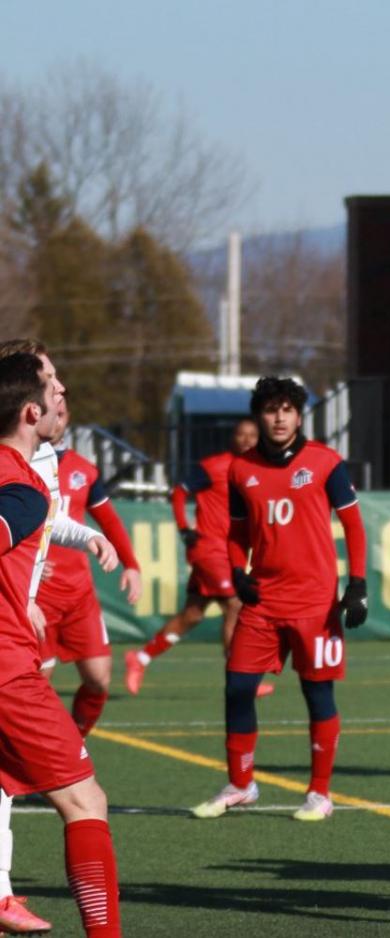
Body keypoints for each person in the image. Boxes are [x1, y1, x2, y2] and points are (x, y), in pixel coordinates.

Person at [191, 376, 368, 822]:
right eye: (271, 409)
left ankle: (320, 794)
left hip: (315, 604)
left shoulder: (327, 463)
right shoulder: (239, 469)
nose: (280, 417)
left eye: (287, 409)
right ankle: (240, 784)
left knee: (317, 694)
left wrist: (358, 583)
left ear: (299, 414)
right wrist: (236, 569)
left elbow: (354, 526)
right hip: (263, 601)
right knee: (237, 688)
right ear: (259, 415)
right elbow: (236, 531)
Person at [0, 339, 119, 935]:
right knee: (85, 802)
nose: (61, 397)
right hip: (5, 672)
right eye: (52, 389)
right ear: (29, 412)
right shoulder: (22, 486)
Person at [125, 417, 260, 695]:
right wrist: (184, 527)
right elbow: (179, 490)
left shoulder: (256, 472)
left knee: (193, 614)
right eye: (241, 434)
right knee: (235, 605)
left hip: (230, 552)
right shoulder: (215, 466)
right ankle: (240, 682)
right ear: (233, 438)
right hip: (210, 549)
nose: (246, 440)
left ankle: (140, 658)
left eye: (252, 435)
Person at [37, 396, 143, 738]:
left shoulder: (85, 470)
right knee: (36, 688)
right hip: (37, 598)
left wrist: (131, 565)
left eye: (62, 412)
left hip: (79, 596)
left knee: (98, 679)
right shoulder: (22, 464)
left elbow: (108, 522)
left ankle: (71, 745)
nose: (56, 417)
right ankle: (24, 768)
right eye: (51, 409)